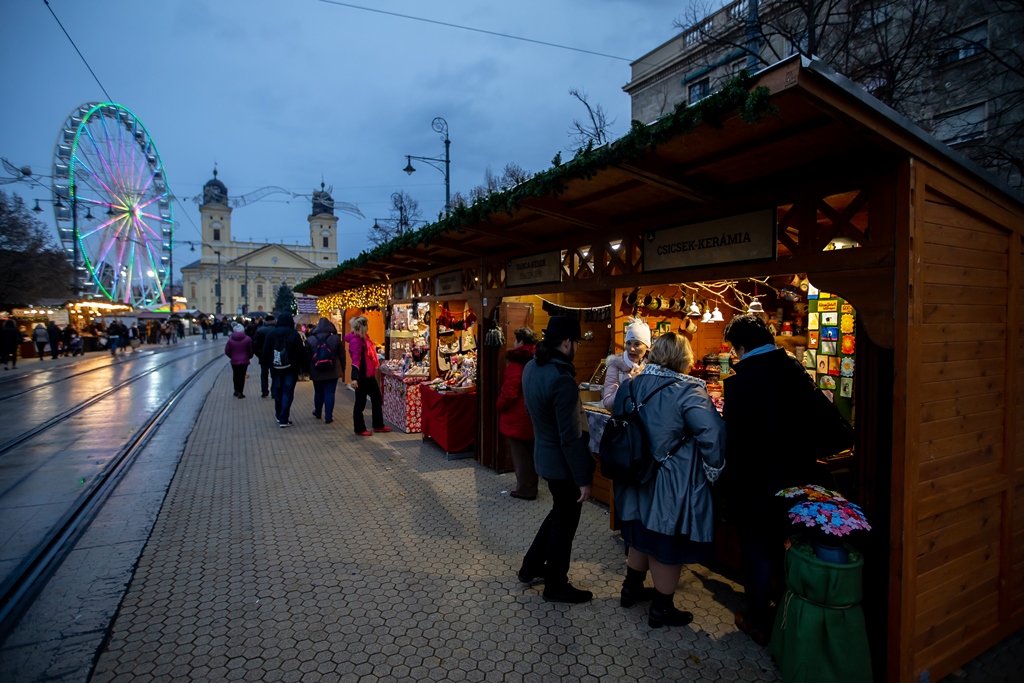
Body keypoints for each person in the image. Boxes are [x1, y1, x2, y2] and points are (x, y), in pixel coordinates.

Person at [720, 313, 848, 646]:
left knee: (757, 547)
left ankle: (758, 619)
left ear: (741, 347)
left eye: (734, 349)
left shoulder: (743, 381)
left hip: (756, 482)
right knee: (785, 542)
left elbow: (734, 441)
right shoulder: (793, 370)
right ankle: (784, 606)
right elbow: (832, 426)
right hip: (796, 479)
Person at [611, 332, 726, 628]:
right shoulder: (689, 390)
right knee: (665, 543)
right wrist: (714, 471)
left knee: (638, 531)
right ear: (683, 358)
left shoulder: (630, 385)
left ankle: (630, 589)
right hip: (670, 478)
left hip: (633, 474)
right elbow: (712, 435)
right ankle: (661, 609)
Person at [517, 316, 594, 603]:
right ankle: (556, 585)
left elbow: (531, 411)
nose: (577, 347)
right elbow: (570, 438)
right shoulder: (562, 380)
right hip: (562, 465)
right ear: (566, 342)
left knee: (558, 513)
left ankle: (531, 566)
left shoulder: (531, 367)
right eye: (576, 342)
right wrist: (584, 479)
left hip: (544, 457)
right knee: (565, 524)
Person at [496, 326, 539, 500]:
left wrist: (498, 405)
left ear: (521, 342)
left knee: (521, 457)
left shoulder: (517, 363)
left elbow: (509, 392)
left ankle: (526, 489)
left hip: (518, 417)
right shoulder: (537, 358)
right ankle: (530, 486)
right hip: (532, 415)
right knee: (530, 453)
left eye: (515, 340)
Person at [344, 315, 388, 436]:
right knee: (360, 402)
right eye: (366, 327)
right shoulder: (356, 341)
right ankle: (359, 428)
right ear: (362, 328)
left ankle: (378, 424)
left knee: (376, 398)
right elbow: (356, 360)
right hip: (362, 376)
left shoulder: (363, 339)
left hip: (368, 375)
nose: (368, 329)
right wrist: (354, 378)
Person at [263, 313, 304, 427]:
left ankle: (278, 415)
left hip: (275, 367)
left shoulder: (271, 334)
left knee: (278, 391)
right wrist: (301, 366)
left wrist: (267, 364)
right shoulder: (293, 334)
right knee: (287, 392)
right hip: (291, 368)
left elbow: (265, 351)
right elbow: (300, 351)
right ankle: (284, 418)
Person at [602, 318, 651, 410]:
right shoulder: (616, 366)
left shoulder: (653, 367)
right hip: (624, 422)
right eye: (628, 343)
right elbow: (608, 404)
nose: (631, 349)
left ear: (647, 346)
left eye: (637, 344)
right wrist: (628, 382)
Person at [305, 317, 345, 424]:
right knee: (330, 393)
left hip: (316, 369)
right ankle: (328, 416)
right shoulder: (336, 339)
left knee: (318, 392)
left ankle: (318, 412)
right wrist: (343, 368)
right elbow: (342, 355)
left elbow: (307, 357)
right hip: (333, 370)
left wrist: (307, 370)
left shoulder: (310, 340)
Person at [225, 322, 254, 398]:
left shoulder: (231, 340)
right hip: (244, 361)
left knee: (235, 375)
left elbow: (227, 351)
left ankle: (236, 390)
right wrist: (249, 357)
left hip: (234, 361)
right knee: (242, 376)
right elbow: (251, 350)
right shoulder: (248, 339)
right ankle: (240, 392)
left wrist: (232, 356)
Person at [253, 315, 276, 398]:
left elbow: (255, 345)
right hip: (275, 356)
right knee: (275, 375)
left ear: (265, 322)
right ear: (274, 321)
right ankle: (274, 391)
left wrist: (259, 355)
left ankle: (264, 391)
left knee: (264, 374)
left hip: (263, 356)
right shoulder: (276, 331)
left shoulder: (260, 331)